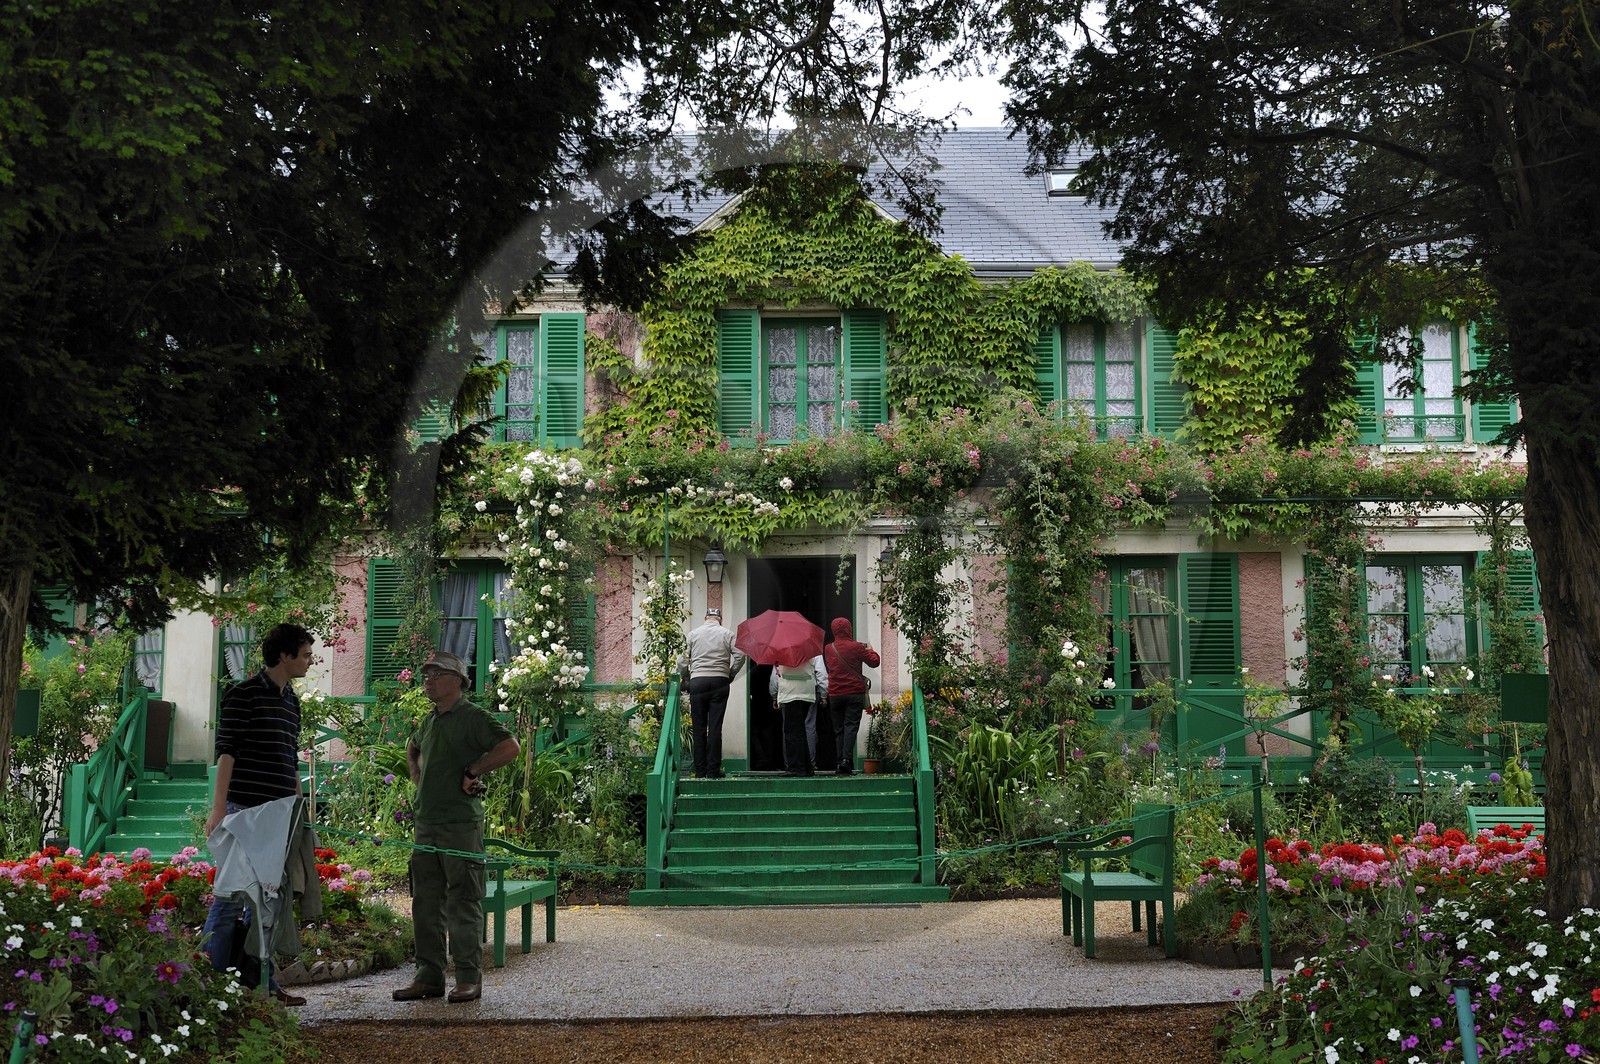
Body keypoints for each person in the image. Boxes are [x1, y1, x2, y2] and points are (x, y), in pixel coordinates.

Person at [393, 651, 521, 1005]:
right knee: (425, 901)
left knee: (463, 899)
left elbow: (510, 747)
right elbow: (413, 746)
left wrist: (474, 771)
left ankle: (468, 978)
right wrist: (418, 782)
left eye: (435, 674)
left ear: (457, 681)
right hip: (426, 824)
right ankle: (428, 976)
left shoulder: (473, 717)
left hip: (460, 825)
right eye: (425, 675)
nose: (428, 681)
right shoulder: (430, 719)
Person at [202, 622, 315, 1007]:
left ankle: (261, 985)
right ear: (283, 656)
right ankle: (213, 986)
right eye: (304, 654)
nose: (309, 660)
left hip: (281, 816)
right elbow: (227, 752)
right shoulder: (243, 693)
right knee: (231, 897)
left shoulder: (291, 701)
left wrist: (300, 809)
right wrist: (219, 809)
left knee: (269, 902)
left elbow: (290, 758)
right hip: (245, 813)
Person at [677, 608, 747, 779]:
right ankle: (713, 770)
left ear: (705, 618)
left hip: (698, 681)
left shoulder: (693, 634)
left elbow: (682, 661)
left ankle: (700, 770)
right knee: (715, 728)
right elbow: (741, 655)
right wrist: (731, 673)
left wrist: (687, 678)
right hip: (720, 681)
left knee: (699, 727)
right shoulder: (728, 634)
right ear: (720, 620)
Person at [825, 617, 880, 775]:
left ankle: (839, 762)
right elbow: (874, 662)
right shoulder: (856, 647)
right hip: (854, 693)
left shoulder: (829, 648)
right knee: (851, 727)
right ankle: (846, 761)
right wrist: (870, 648)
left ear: (834, 630)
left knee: (839, 729)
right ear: (849, 629)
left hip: (835, 694)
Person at [769, 652, 827, 776]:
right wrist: (824, 694)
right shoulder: (812, 649)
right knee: (803, 730)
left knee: (790, 731)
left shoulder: (780, 650)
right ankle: (807, 766)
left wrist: (774, 695)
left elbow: (775, 677)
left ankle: (795, 767)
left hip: (789, 693)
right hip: (808, 693)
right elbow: (821, 673)